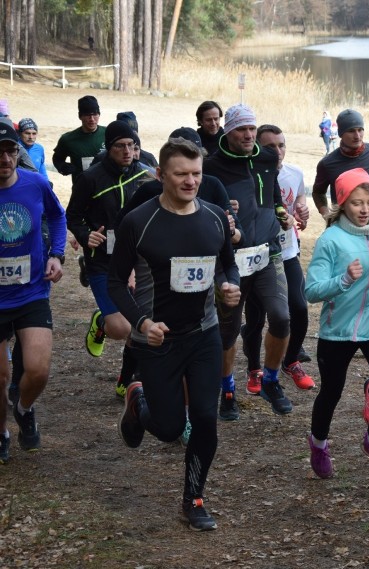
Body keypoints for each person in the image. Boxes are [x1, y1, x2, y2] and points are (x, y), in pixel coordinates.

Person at [110, 138, 241, 531]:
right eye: (181, 174)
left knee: (204, 417)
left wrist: (230, 287)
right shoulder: (139, 221)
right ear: (160, 174)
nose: (190, 182)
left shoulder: (215, 217)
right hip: (158, 339)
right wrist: (142, 324)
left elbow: (228, 267)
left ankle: (193, 498)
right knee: (168, 429)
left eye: (196, 174)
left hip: (203, 333)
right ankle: (138, 400)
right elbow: (116, 282)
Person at [304, 168, 369, 478]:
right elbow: (311, 290)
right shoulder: (331, 241)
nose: (364, 210)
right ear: (342, 205)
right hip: (338, 330)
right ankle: (319, 443)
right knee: (331, 393)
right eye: (356, 203)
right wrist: (344, 280)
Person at [203, 104, 295, 420]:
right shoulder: (211, 166)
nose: (248, 134)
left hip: (267, 254)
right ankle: (227, 389)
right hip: (231, 259)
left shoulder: (267, 158)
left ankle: (270, 380)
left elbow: (274, 197)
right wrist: (222, 214)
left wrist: (282, 214)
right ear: (228, 131)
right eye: (241, 129)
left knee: (282, 318)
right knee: (228, 331)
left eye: (252, 128)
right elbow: (201, 206)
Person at [65, 120, 156, 398]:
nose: (127, 151)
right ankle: (102, 323)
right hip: (102, 261)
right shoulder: (91, 178)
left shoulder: (145, 176)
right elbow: (72, 215)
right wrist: (86, 234)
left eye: (132, 145)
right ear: (110, 147)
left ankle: (128, 380)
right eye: (120, 146)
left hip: (138, 261)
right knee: (120, 327)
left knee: (141, 324)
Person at [0, 122, 66, 463]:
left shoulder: (36, 183)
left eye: (10, 151)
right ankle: (2, 433)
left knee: (38, 370)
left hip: (31, 292)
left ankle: (24, 409)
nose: (5, 158)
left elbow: (57, 216)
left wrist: (57, 253)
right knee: (2, 377)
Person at [240, 124, 313, 394]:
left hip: (288, 253)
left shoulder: (295, 173)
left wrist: (302, 214)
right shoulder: (250, 174)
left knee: (299, 309)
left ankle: (290, 360)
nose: (278, 151)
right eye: (270, 146)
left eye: (281, 145)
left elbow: (299, 206)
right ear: (257, 147)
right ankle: (254, 369)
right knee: (256, 319)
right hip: (258, 256)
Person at [312, 109, 369, 217]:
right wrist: (327, 215)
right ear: (341, 133)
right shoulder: (327, 163)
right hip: (343, 227)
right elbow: (318, 193)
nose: (357, 136)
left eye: (360, 130)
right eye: (351, 131)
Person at [52, 95, 106, 184]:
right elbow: (57, 158)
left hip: (106, 188)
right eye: (87, 115)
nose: (92, 119)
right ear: (80, 116)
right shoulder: (68, 139)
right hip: (81, 189)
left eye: (95, 114)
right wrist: (62, 166)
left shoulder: (108, 133)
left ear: (99, 115)